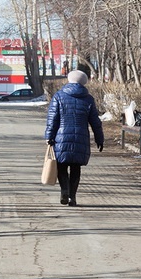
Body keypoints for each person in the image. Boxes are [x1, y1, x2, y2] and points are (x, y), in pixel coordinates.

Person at [45, 69, 104, 207]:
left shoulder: (59, 96)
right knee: (76, 168)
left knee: (62, 166)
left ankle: (64, 190)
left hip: (61, 137)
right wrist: (99, 138)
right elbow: (95, 121)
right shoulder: (88, 99)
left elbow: (52, 119)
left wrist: (49, 136)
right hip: (81, 138)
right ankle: (72, 197)